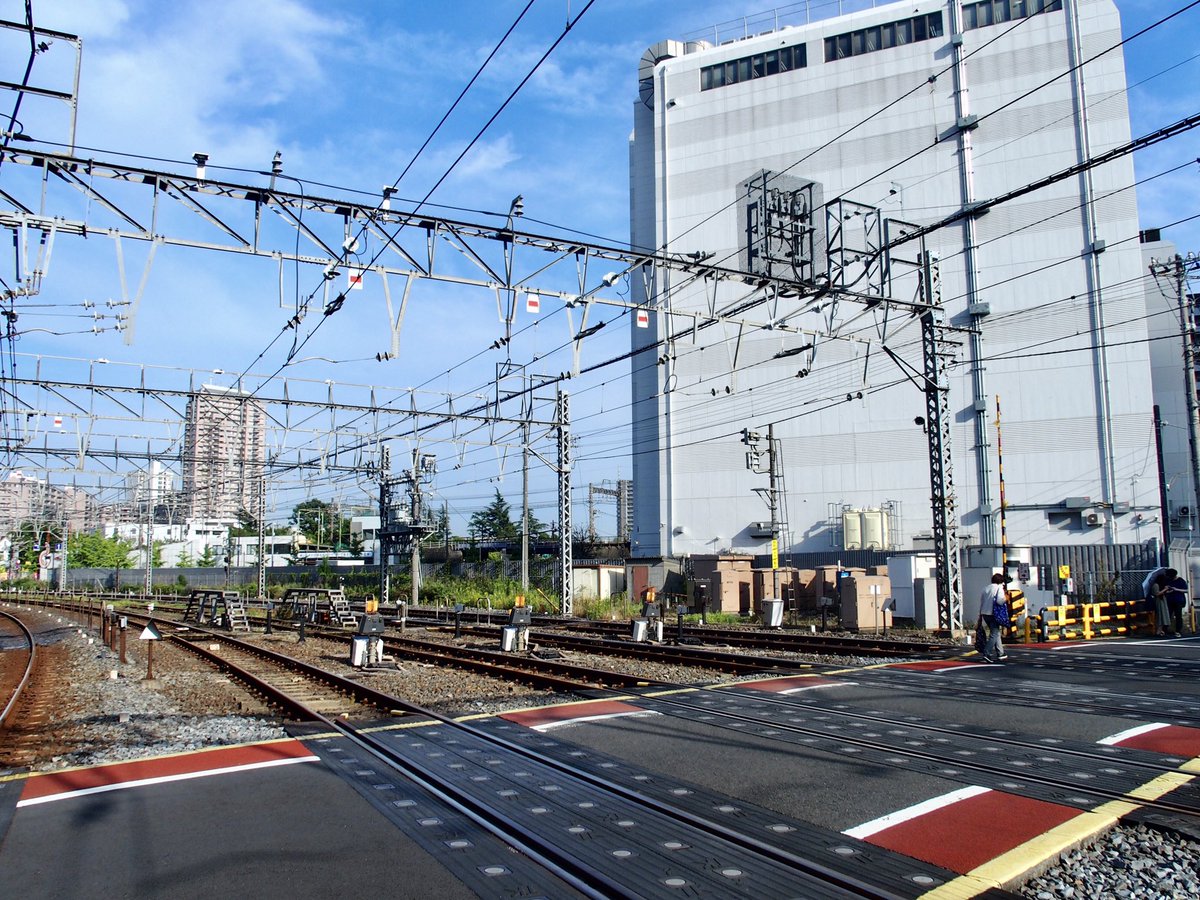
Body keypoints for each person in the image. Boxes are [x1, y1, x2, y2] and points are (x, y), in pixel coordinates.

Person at [978, 573, 1008, 663]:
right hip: (994, 614)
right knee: (994, 634)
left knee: (996, 632)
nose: (1003, 584)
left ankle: (1001, 653)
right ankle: (986, 653)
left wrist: (979, 616)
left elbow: (982, 602)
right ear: (1000, 581)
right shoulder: (999, 588)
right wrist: (1006, 598)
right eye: (1002, 582)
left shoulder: (985, 588)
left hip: (985, 613)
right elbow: (999, 601)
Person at [1156, 568, 1188, 637]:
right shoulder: (1168, 580)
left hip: (1179, 600)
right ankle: (1164, 630)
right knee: (1168, 615)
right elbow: (1165, 591)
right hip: (1169, 600)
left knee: (1178, 616)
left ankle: (1178, 631)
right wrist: (1168, 591)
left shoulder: (1180, 580)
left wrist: (1176, 589)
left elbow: (1186, 590)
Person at [1147, 567, 1171, 635]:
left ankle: (1161, 631)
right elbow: (1157, 593)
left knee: (1163, 615)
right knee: (1160, 615)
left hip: (1162, 600)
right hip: (1158, 601)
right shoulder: (1155, 585)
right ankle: (1158, 631)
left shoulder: (1160, 585)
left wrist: (1168, 590)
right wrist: (1165, 589)